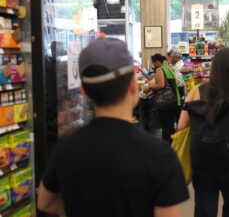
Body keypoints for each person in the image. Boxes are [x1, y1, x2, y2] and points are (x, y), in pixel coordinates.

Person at [38, 38, 189, 217]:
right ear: (133, 85)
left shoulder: (65, 148)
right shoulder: (160, 155)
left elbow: (45, 202)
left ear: (84, 91)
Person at [177, 48, 229, 217]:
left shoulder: (196, 92)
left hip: (202, 159)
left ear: (214, 67)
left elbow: (181, 126)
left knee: (204, 208)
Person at [144, 54, 180, 143]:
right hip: (173, 100)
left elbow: (161, 85)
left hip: (165, 102)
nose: (153, 64)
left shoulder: (160, 69)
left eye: (153, 62)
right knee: (170, 125)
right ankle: (173, 145)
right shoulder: (167, 68)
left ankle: (167, 147)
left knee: (166, 127)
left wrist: (150, 87)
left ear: (156, 62)